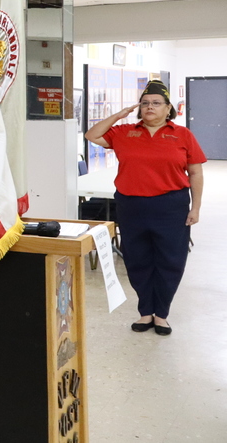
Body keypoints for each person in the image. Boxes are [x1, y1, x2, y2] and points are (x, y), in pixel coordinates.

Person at [84, 79, 205, 336]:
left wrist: (196, 208)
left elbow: (195, 173)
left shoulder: (183, 135)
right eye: (145, 103)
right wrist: (119, 115)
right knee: (137, 259)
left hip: (171, 206)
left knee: (170, 260)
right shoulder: (124, 132)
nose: (150, 107)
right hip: (131, 205)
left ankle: (161, 313)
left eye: (156, 103)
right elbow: (91, 135)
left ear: (168, 107)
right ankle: (145, 312)